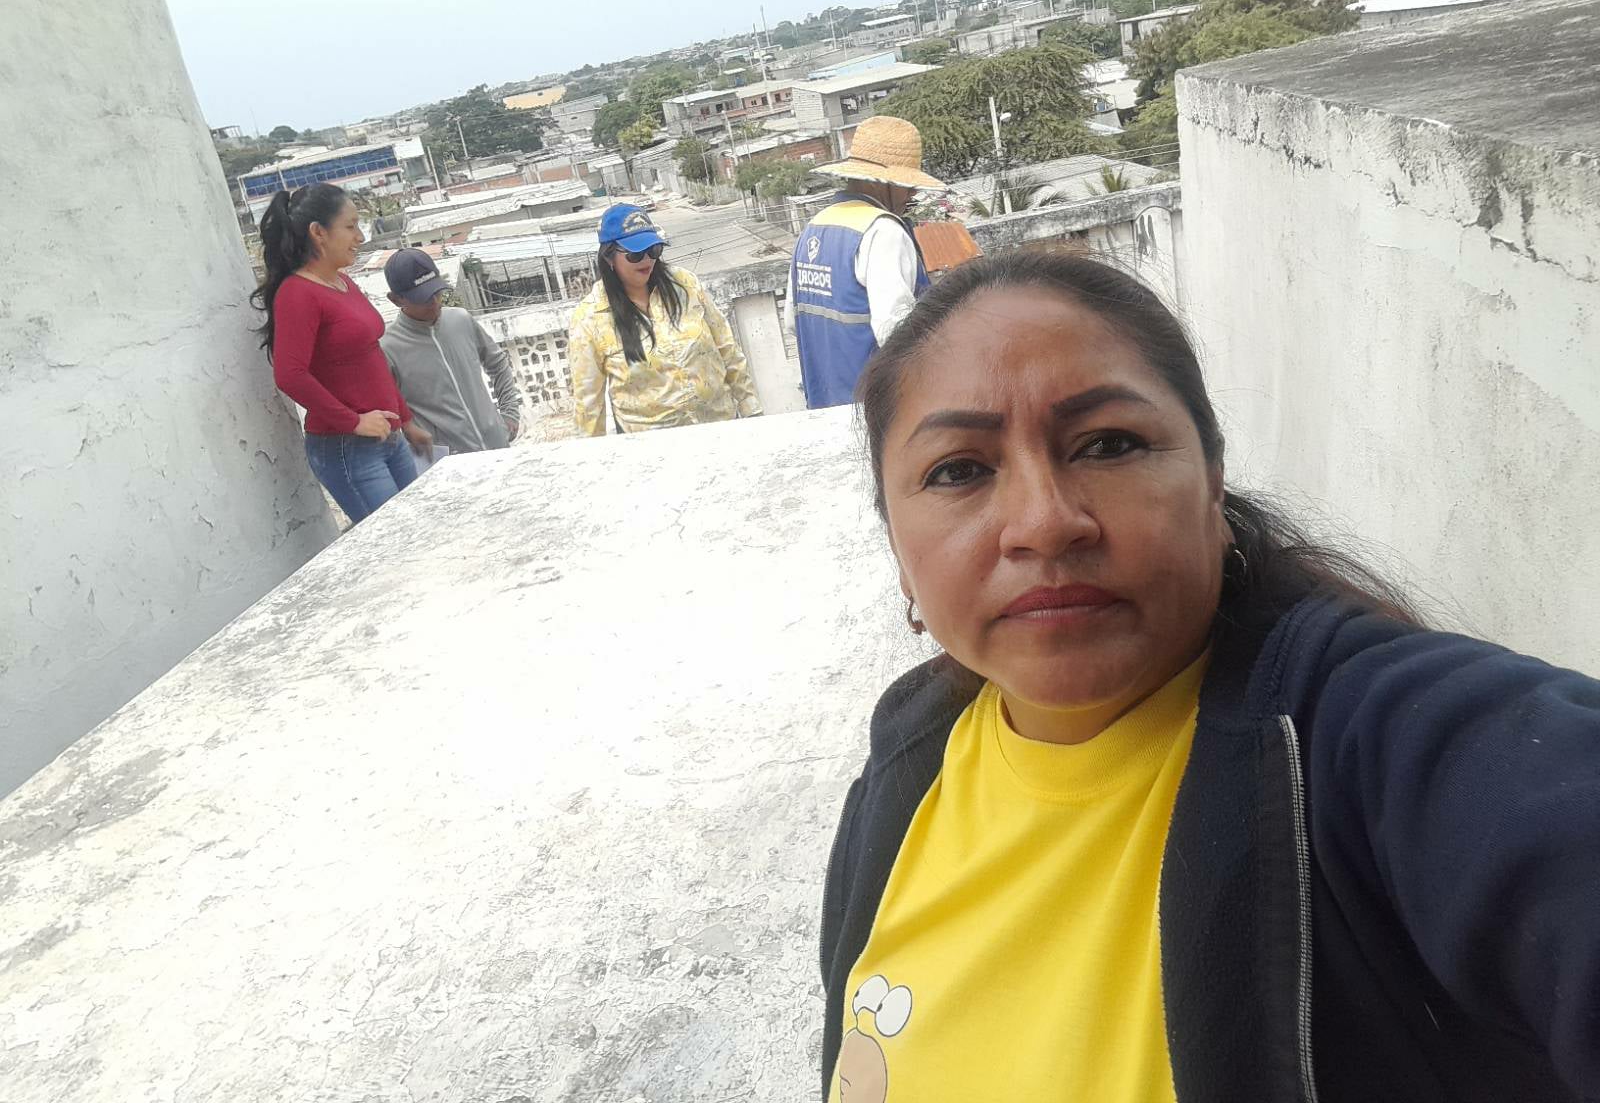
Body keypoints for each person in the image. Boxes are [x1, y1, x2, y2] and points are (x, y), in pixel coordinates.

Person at [819, 251, 1600, 1102]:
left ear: (1213, 483)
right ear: (896, 545)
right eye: (959, 470)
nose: (1044, 523)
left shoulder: (1375, 746)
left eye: (1108, 444)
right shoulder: (908, 761)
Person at [253, 183, 431, 524]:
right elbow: (290, 374)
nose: (360, 237)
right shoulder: (297, 293)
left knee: (421, 530)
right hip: (348, 446)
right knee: (396, 540)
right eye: (350, 226)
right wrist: (354, 421)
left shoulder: (344, 283)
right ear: (318, 232)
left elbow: (371, 358)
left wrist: (406, 420)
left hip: (387, 436)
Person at [786, 116, 942, 410]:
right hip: (873, 411)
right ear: (882, 183)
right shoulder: (883, 231)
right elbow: (896, 333)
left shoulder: (813, 228)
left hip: (822, 407)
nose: (912, 194)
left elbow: (792, 322)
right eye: (906, 185)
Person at [568, 204, 762, 437]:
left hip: (722, 431)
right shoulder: (590, 319)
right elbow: (588, 405)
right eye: (635, 254)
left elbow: (728, 350)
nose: (647, 260)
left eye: (654, 250)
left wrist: (752, 412)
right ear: (609, 257)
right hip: (653, 449)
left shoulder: (685, 285)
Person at [380, 248, 522, 454]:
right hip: (449, 463)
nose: (434, 302)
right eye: (422, 297)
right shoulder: (388, 349)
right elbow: (391, 412)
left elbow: (498, 363)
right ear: (396, 299)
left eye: (436, 292)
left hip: (498, 447)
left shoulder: (460, 320)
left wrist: (509, 414)